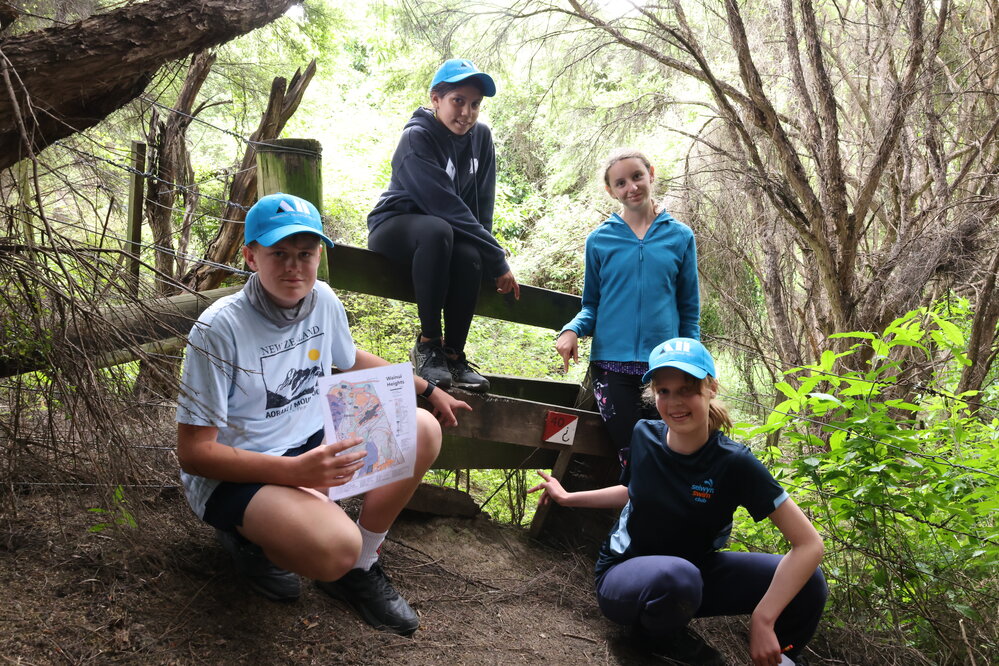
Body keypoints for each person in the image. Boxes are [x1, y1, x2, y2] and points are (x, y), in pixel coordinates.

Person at [176, 192, 470, 636]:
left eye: (305, 253)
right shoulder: (220, 329)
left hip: (309, 440)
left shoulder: (322, 300)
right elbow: (194, 454)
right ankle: (247, 537)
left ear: (319, 256)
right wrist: (296, 473)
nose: (294, 267)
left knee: (422, 429)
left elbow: (349, 359)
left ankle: (360, 568)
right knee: (335, 548)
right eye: (279, 253)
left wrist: (428, 389)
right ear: (251, 257)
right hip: (239, 472)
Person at [531, 338, 826, 666]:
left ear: (711, 388)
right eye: (664, 391)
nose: (674, 403)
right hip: (625, 574)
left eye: (686, 390)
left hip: (695, 574)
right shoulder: (644, 435)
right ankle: (652, 639)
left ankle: (781, 659)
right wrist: (567, 498)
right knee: (678, 576)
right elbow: (633, 490)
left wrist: (764, 618)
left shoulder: (734, 463)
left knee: (809, 583)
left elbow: (809, 545)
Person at [368, 58, 520, 393]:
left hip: (446, 233)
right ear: (436, 99)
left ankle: (453, 355)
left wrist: (486, 256)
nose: (467, 112)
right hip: (395, 228)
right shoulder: (416, 138)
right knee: (438, 229)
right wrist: (498, 256)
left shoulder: (481, 137)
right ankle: (428, 345)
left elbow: (481, 204)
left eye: (475, 104)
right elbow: (444, 207)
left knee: (470, 254)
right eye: (458, 101)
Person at [556, 149, 700, 465]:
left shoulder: (680, 237)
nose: (631, 187)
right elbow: (591, 306)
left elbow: (689, 311)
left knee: (671, 454)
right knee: (632, 456)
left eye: (637, 177)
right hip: (611, 368)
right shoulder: (599, 240)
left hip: (664, 368)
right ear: (611, 191)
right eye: (620, 183)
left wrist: (693, 364)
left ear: (651, 174)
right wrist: (572, 330)